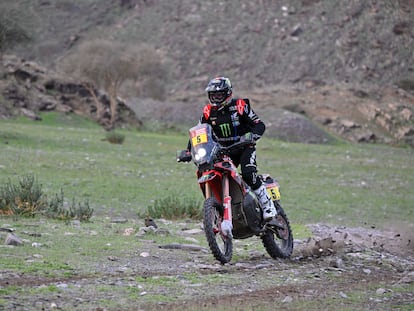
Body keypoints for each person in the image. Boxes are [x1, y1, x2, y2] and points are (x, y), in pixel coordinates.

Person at [181, 76, 278, 221]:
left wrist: (252, 136)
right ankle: (225, 209)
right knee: (211, 170)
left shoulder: (240, 106)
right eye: (213, 95)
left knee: (248, 173)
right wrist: (189, 150)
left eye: (219, 95)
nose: (216, 98)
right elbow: (198, 133)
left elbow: (259, 124)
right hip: (223, 151)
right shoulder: (208, 112)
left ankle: (267, 205)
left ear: (228, 93)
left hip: (244, 147)